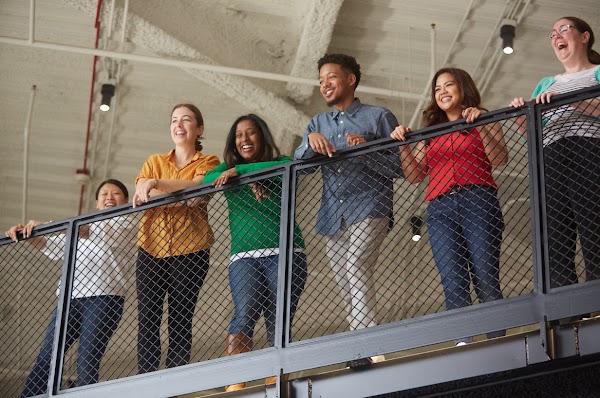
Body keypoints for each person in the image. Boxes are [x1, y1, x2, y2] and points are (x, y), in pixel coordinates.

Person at [294, 53, 402, 366]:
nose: (324, 85)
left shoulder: (378, 116)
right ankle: (366, 349)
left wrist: (365, 152)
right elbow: (302, 169)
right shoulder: (318, 123)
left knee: (355, 266)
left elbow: (400, 166)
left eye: (330, 77)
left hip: (370, 205)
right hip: (332, 215)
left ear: (350, 80)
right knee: (346, 282)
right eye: (320, 81)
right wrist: (309, 141)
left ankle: (367, 347)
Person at [391, 68, 509, 345]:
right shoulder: (431, 131)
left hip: (479, 201)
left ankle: (498, 343)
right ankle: (463, 342)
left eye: (448, 85)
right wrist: (403, 147)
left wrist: (479, 125)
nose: (442, 92)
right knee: (453, 279)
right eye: (437, 88)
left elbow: (500, 158)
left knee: (485, 276)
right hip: (439, 210)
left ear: (463, 87)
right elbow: (415, 175)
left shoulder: (484, 116)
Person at [204, 114, 307, 391]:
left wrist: (243, 173)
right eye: (239, 135)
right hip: (244, 257)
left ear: (261, 135)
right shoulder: (225, 171)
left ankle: (276, 378)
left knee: (278, 316)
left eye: (250, 133)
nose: (244, 139)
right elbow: (208, 177)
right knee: (245, 311)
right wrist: (236, 172)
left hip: (286, 252)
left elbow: (289, 165)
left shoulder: (280, 163)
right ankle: (236, 379)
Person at [5, 179, 135, 396]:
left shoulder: (125, 223)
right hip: (69, 299)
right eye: (104, 194)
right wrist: (25, 234)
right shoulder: (79, 228)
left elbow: (88, 231)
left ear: (126, 201)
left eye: (116, 194)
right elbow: (52, 247)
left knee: (86, 361)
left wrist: (47, 225)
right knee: (47, 358)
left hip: (104, 298)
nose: (109, 197)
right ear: (96, 202)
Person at [509, 16, 600, 289]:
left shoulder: (597, 73)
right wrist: (521, 117)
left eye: (563, 29)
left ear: (584, 37)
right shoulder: (546, 83)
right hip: (552, 159)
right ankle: (567, 314)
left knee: (593, 229)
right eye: (552, 34)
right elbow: (533, 137)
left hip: (589, 152)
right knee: (556, 239)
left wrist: (571, 101)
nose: (556, 36)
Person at [132, 103, 220, 373]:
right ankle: (146, 381)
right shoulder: (153, 161)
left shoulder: (210, 162)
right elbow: (143, 195)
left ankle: (173, 380)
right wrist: (182, 195)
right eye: (174, 120)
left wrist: (157, 185)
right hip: (151, 248)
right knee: (147, 317)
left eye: (186, 120)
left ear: (199, 129)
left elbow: (199, 189)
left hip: (191, 250)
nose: (178, 125)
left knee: (181, 317)